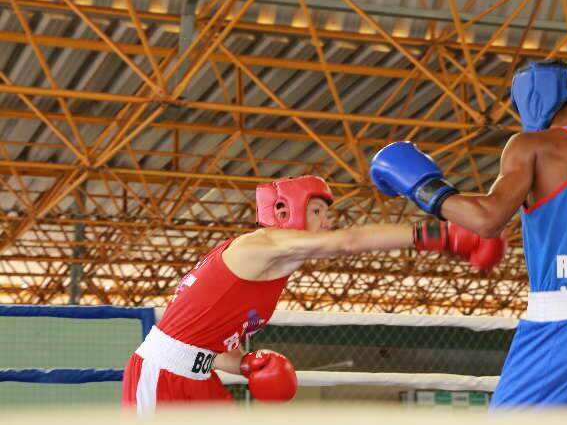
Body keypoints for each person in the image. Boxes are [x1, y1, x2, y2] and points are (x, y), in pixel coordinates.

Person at [369, 59, 567, 407]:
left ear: (533, 96)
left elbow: (488, 219)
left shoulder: (532, 145)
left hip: (565, 324)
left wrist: (423, 187)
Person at [122, 175, 505, 414]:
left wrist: (245, 366)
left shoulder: (270, 267)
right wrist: (440, 237)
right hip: (161, 376)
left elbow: (208, 346)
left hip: (197, 377)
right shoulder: (260, 245)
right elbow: (349, 242)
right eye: (319, 212)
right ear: (285, 212)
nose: (327, 222)